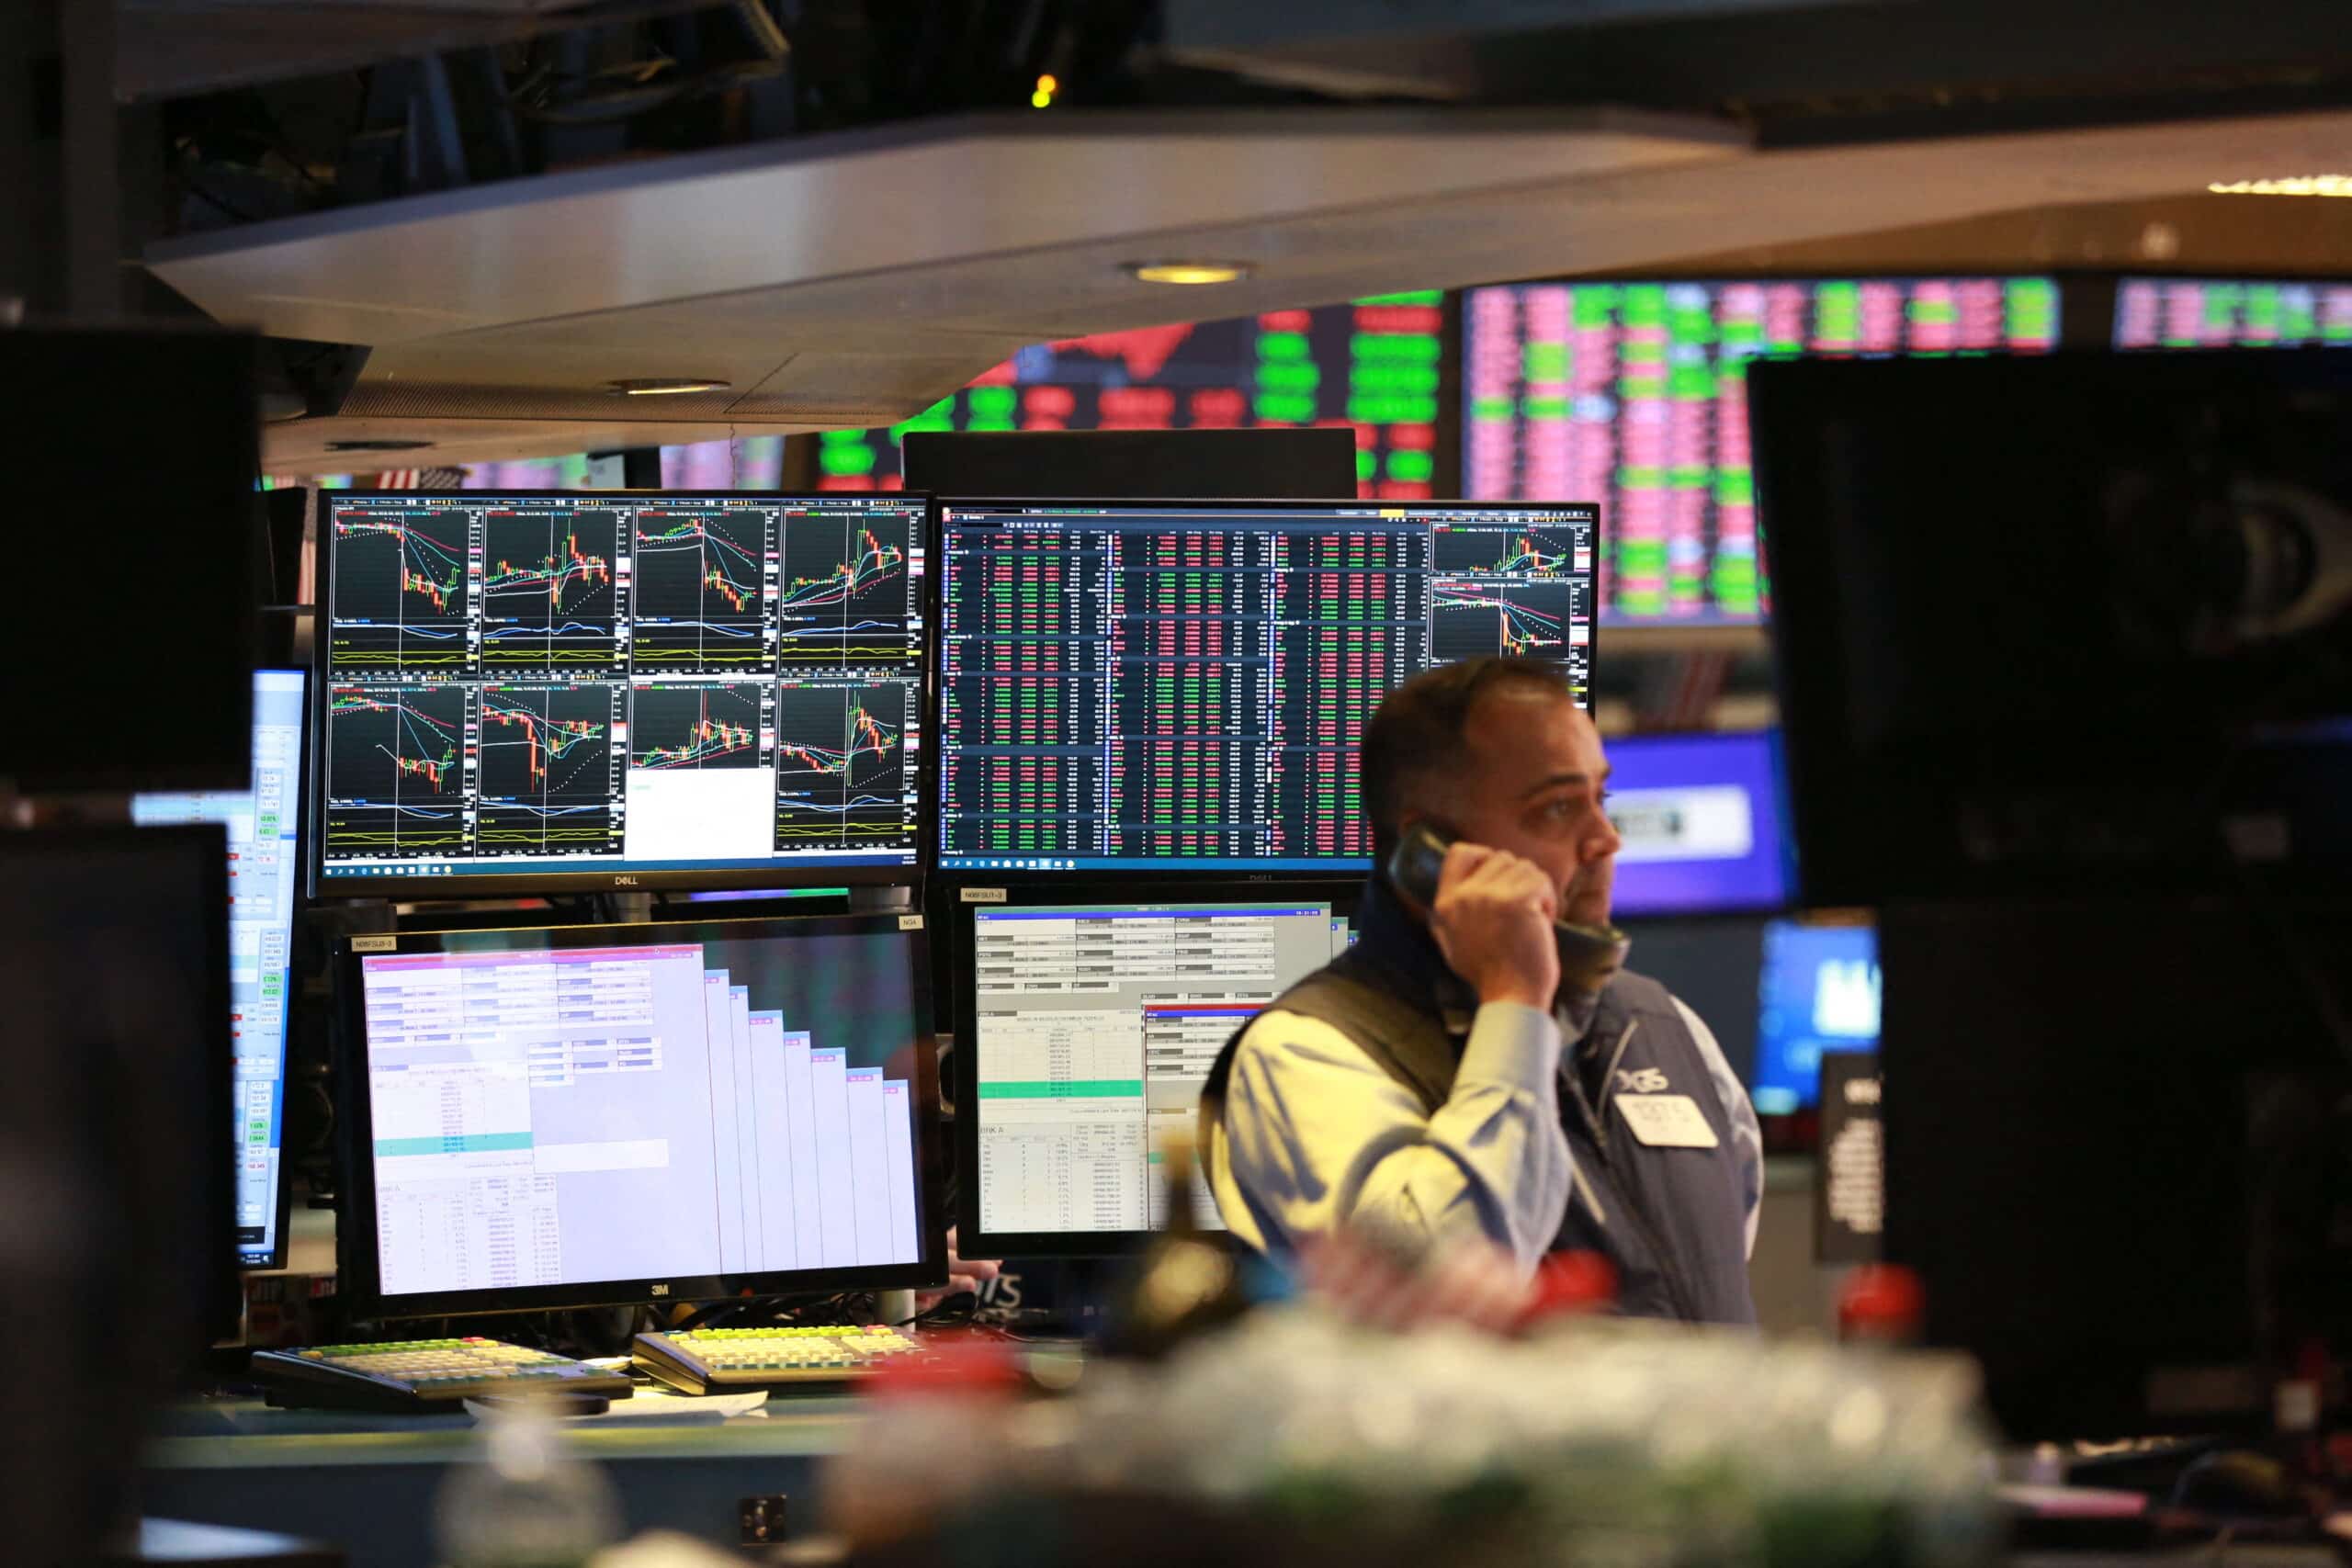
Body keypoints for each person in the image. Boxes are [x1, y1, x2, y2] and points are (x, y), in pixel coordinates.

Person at [1201, 657, 1761, 1324]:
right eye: (1555, 808)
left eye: (1600, 798)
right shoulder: (1307, 1051)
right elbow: (1443, 1305)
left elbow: (1712, 1278)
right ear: (1431, 850)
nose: (1605, 839)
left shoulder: (1662, 1024)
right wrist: (1516, 1008)